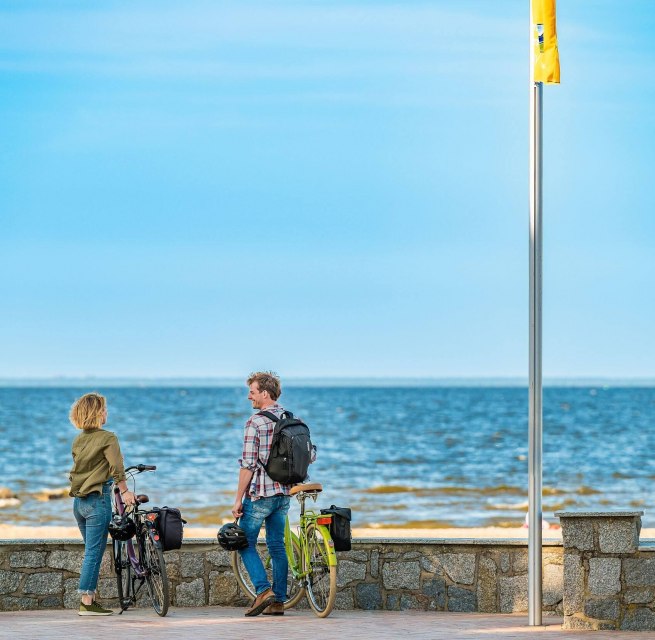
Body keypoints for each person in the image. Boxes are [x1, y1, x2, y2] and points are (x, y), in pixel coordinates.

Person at [232, 371, 300, 617]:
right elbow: (309, 455)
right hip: (284, 493)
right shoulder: (292, 419)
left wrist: (238, 499)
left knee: (244, 542)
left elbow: (248, 464)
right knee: (277, 546)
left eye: (252, 391)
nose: (248, 396)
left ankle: (263, 590)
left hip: (261, 494)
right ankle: (278, 601)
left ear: (264, 393)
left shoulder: (255, 422)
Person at [69, 392, 136, 616]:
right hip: (97, 501)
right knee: (93, 553)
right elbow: (117, 469)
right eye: (104, 409)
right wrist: (125, 492)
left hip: (79, 504)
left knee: (91, 551)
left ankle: (91, 600)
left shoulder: (79, 439)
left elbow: (84, 469)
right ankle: (87, 602)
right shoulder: (108, 437)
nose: (107, 413)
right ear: (97, 413)